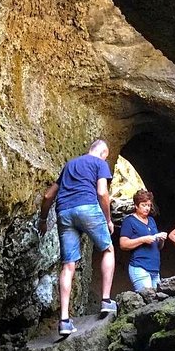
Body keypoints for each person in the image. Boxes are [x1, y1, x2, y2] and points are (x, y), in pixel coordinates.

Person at [38, 139, 117, 336]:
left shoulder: (69, 165)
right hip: (87, 207)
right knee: (108, 249)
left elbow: (48, 196)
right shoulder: (100, 163)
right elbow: (102, 192)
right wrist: (108, 219)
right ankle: (106, 301)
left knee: (68, 265)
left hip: (64, 211)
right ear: (103, 153)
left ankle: (64, 320)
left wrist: (42, 219)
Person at [119, 189, 167, 291]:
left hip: (155, 269)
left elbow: (158, 247)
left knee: (157, 303)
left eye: (149, 205)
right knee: (148, 303)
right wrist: (143, 239)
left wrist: (161, 239)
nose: (147, 208)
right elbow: (123, 244)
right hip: (140, 267)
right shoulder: (129, 221)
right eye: (143, 205)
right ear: (136, 206)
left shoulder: (151, 220)